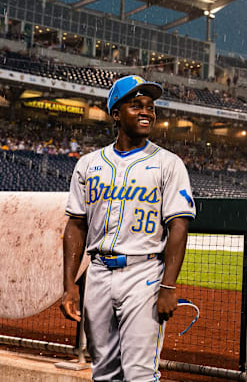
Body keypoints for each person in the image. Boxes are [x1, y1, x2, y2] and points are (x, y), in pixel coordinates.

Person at [60, 75, 196, 382]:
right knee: (104, 371)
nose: (147, 112)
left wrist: (168, 286)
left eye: (150, 106)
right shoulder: (88, 164)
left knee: (139, 374)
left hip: (143, 274)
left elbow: (178, 226)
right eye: (136, 106)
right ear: (117, 113)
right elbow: (76, 225)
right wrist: (69, 285)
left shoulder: (168, 164)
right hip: (97, 273)